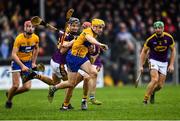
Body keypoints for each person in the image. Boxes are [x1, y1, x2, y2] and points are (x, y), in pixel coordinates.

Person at [61, 18, 108, 110]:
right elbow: (62, 49)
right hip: (74, 60)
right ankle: (66, 103)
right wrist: (70, 42)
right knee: (71, 84)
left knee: (87, 77)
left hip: (84, 62)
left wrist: (92, 51)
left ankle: (85, 100)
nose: (85, 29)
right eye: (84, 28)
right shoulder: (83, 36)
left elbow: (93, 57)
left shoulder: (92, 39)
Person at [5, 20, 40, 108]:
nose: (30, 28)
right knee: (16, 85)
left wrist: (33, 62)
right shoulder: (19, 38)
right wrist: (22, 66)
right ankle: (9, 101)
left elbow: (36, 49)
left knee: (27, 87)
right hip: (17, 62)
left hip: (28, 63)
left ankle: (9, 93)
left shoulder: (36, 38)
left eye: (32, 27)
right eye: (28, 26)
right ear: (24, 28)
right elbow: (13, 54)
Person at [139, 21, 176, 104]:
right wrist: (141, 65)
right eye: (156, 28)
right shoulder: (150, 39)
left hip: (164, 62)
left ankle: (152, 92)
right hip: (153, 60)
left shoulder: (169, 38)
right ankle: (145, 100)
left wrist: (171, 64)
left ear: (163, 28)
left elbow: (173, 50)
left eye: (159, 28)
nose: (157, 29)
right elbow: (143, 52)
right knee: (155, 79)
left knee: (160, 86)